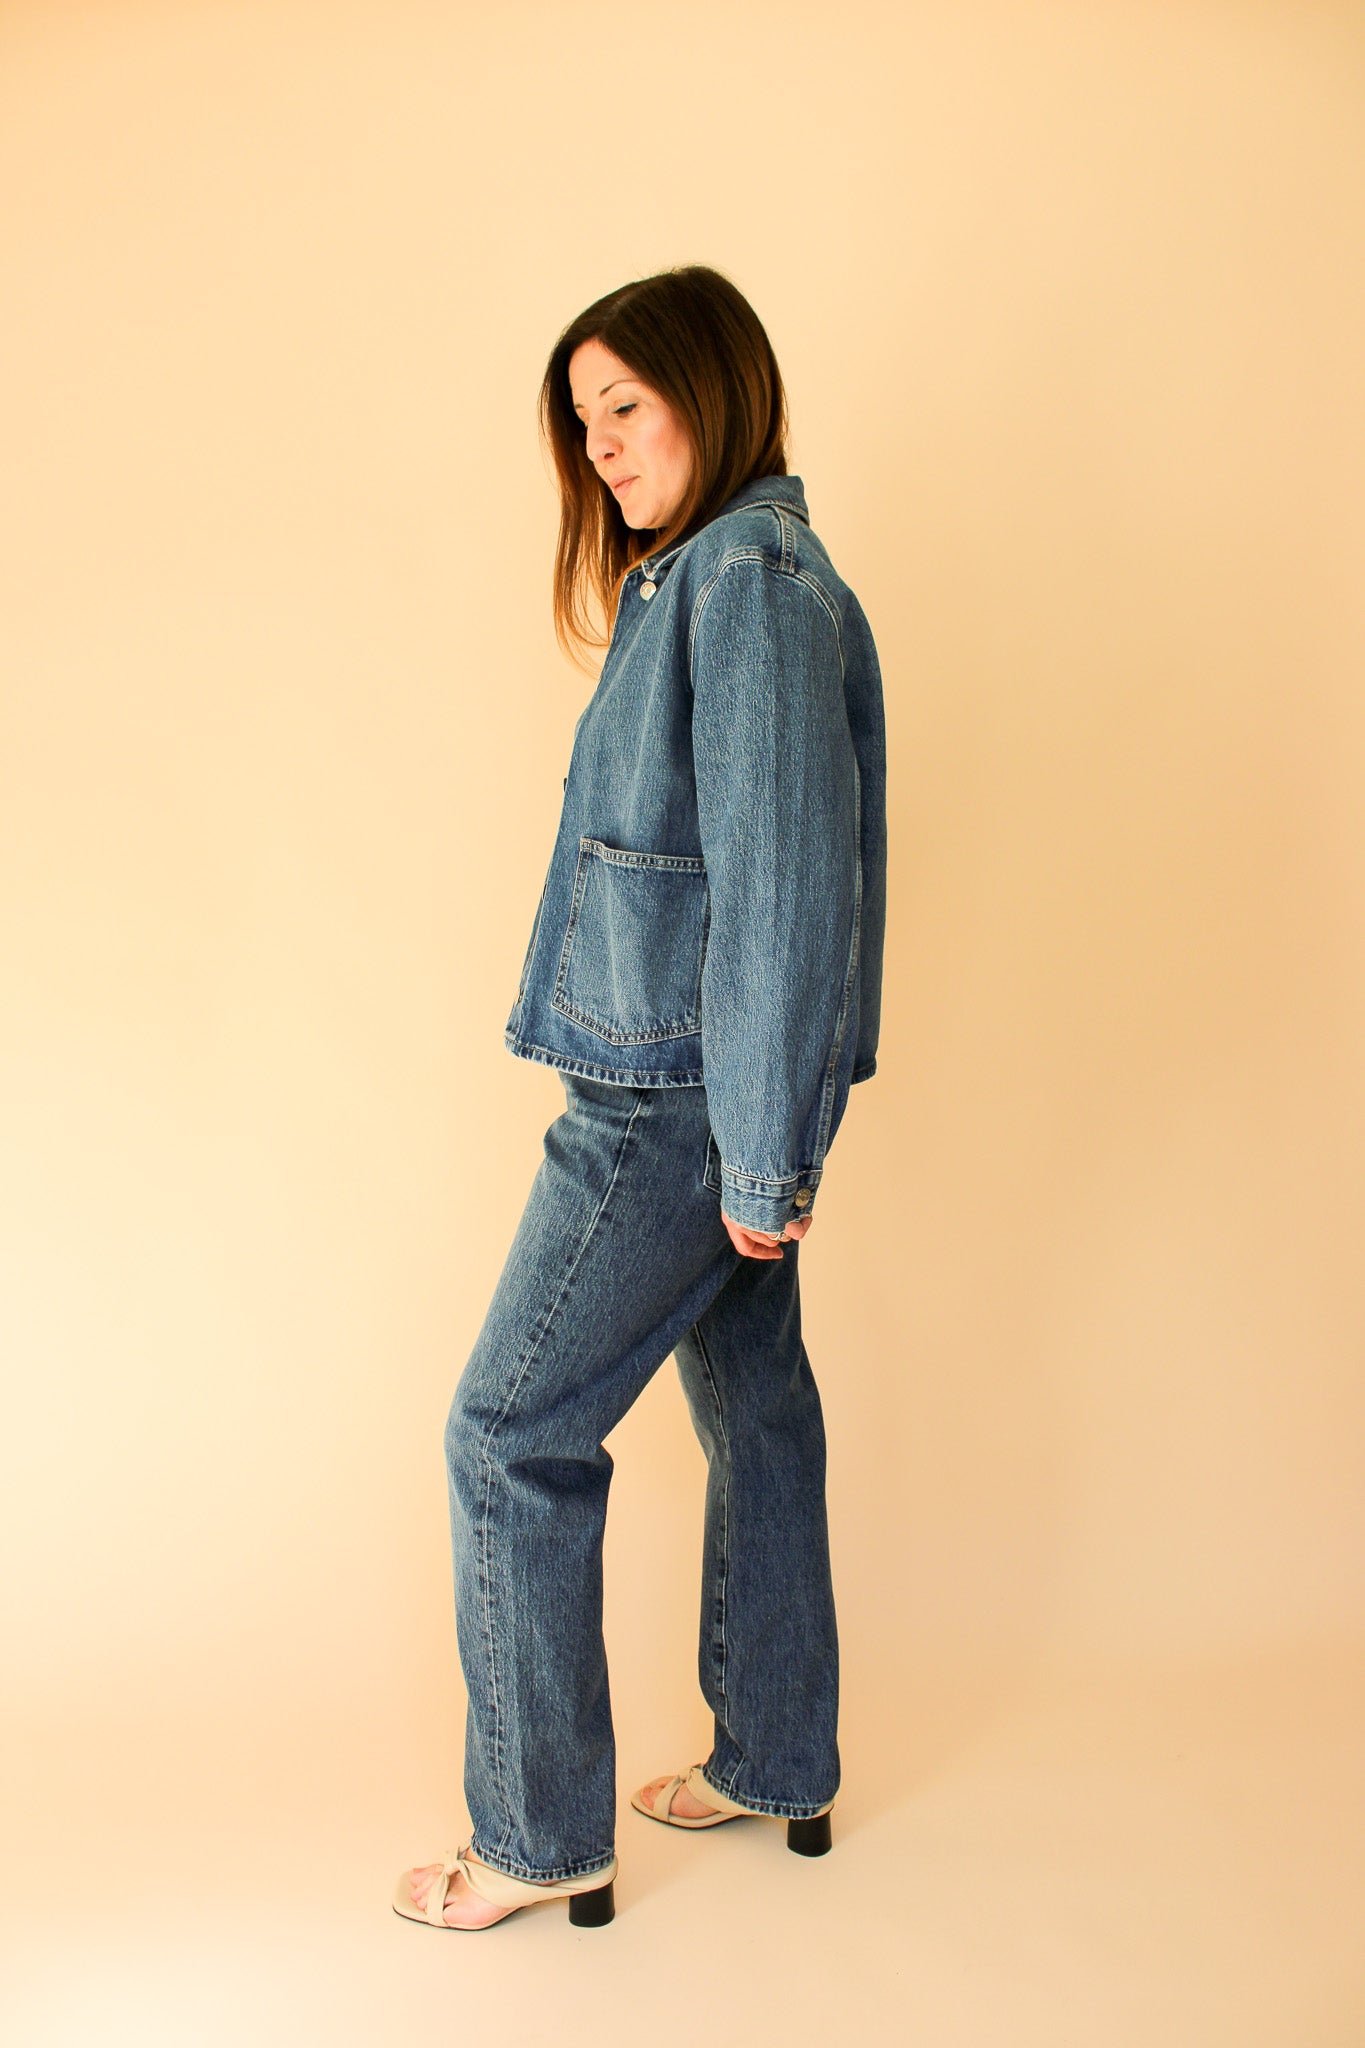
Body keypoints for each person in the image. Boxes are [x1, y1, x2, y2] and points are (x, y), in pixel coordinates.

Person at [393, 264, 887, 1932]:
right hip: (702, 1085)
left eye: (627, 403)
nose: (600, 444)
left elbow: (782, 889)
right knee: (755, 1408)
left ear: (713, 388)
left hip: (667, 1103)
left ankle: (538, 1839)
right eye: (581, 418)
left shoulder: (747, 580)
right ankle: (776, 1756)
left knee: (507, 1436)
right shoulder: (706, 577)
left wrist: (759, 1157)